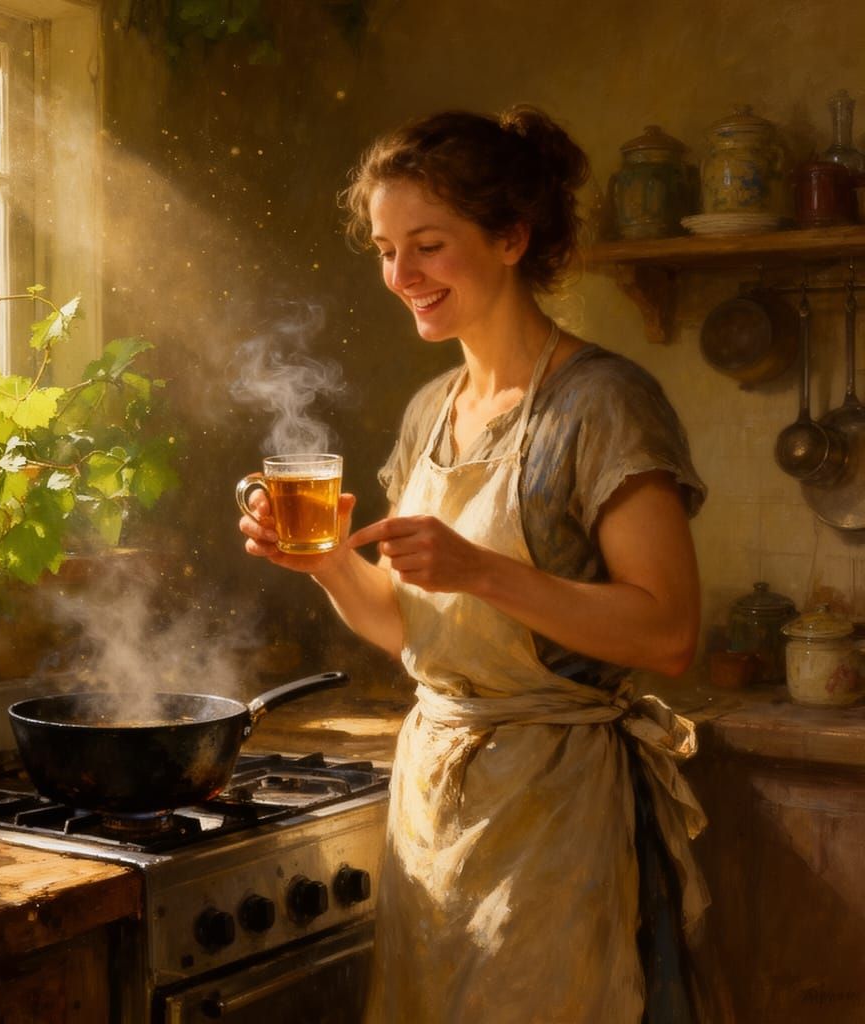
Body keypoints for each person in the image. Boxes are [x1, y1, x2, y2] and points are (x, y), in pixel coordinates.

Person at [238, 105, 711, 1023]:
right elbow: (412, 629)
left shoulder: (602, 404)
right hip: (434, 810)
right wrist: (331, 563)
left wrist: (484, 570)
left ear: (510, 238)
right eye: (384, 249)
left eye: (427, 245)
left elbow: (670, 633)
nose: (401, 276)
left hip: (557, 813)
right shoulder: (431, 410)